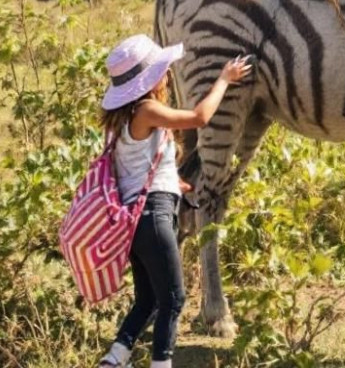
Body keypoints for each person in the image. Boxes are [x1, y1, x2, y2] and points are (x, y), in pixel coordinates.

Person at [96, 35, 252, 368]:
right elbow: (199, 118)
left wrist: (173, 183)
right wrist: (224, 79)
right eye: (162, 69)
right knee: (173, 298)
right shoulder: (148, 109)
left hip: (137, 220)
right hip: (153, 216)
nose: (167, 74)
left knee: (148, 300)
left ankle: (113, 360)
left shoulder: (122, 118)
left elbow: (135, 168)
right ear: (149, 78)